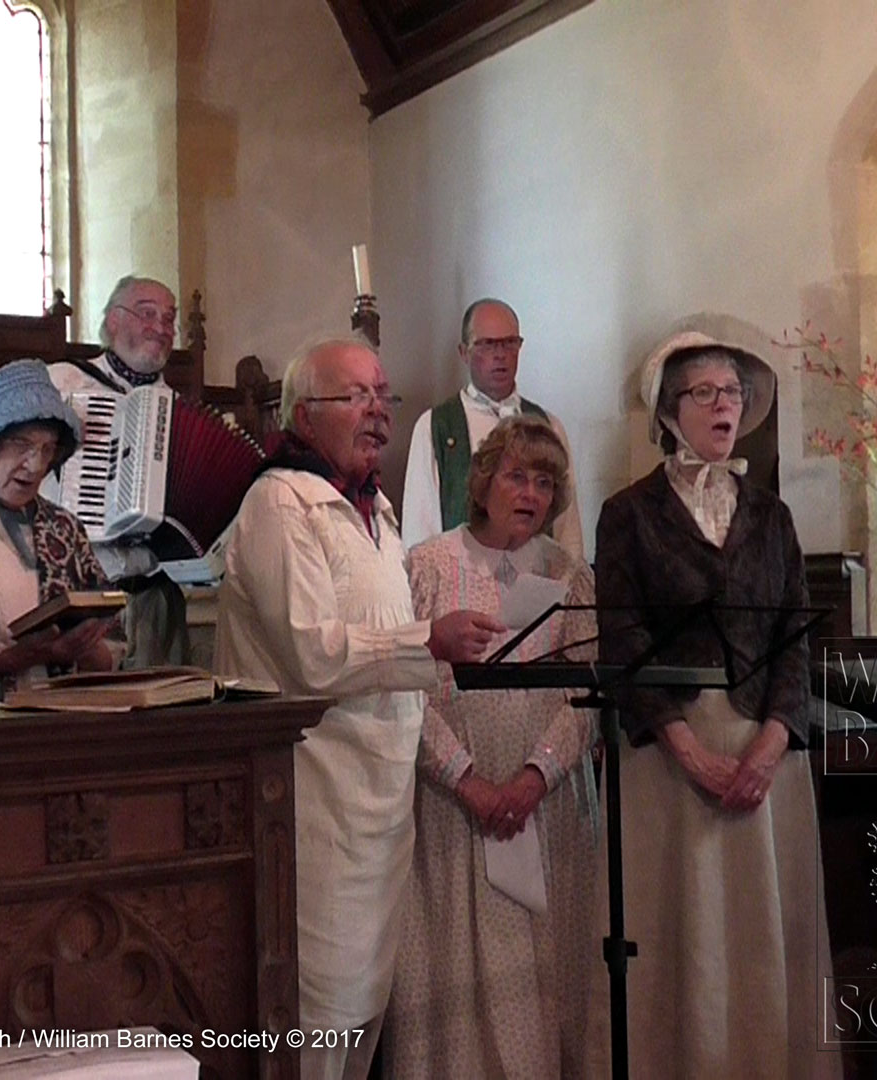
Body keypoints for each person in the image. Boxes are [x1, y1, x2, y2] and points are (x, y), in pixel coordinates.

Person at [213, 337, 505, 1080]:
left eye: (385, 396)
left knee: (366, 1012)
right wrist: (428, 642)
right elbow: (311, 655)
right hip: (312, 801)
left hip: (380, 805)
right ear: (304, 414)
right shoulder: (280, 502)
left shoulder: (375, 510)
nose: (378, 412)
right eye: (359, 396)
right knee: (318, 1015)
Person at [593, 331, 837, 1079]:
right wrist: (689, 750)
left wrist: (768, 746)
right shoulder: (627, 514)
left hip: (764, 751)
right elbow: (622, 638)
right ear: (669, 413)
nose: (723, 404)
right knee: (679, 934)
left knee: (762, 932)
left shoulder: (773, 517)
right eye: (705, 392)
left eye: (732, 392)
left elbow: (796, 638)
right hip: (670, 761)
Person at [384, 416, 598, 1080]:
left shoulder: (570, 575)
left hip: (545, 804)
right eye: (515, 475)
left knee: (537, 977)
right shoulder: (427, 563)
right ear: (484, 483)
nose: (530, 492)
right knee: (453, 967)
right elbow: (403, 689)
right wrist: (468, 780)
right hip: (450, 807)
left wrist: (535, 777)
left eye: (544, 480)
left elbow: (585, 694)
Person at [0, 358, 116, 706]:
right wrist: (30, 654)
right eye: (22, 444)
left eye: (47, 449)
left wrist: (85, 648)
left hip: (54, 730)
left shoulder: (64, 528)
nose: (36, 465)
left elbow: (114, 654)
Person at [47, 274, 188, 666]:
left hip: (156, 601)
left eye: (168, 318)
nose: (161, 328)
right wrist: (50, 431)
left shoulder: (180, 411)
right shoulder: (61, 380)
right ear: (112, 320)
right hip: (81, 596)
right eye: (147, 314)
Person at [401, 298, 584, 556]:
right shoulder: (436, 427)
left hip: (538, 583)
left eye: (509, 343)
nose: (500, 355)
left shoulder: (547, 425)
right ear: (464, 352)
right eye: (487, 345)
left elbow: (567, 527)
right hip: (462, 582)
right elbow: (419, 530)